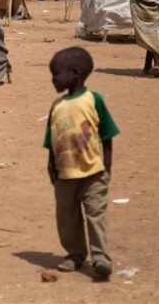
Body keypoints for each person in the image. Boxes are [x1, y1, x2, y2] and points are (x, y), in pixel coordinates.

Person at [44, 47, 119, 280]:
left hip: (93, 172)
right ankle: (75, 254)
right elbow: (52, 139)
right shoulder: (57, 106)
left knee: (96, 214)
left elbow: (106, 135)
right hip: (64, 174)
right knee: (67, 218)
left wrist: (106, 167)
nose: (53, 79)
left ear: (75, 73)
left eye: (56, 73)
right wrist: (51, 166)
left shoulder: (93, 100)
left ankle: (101, 258)